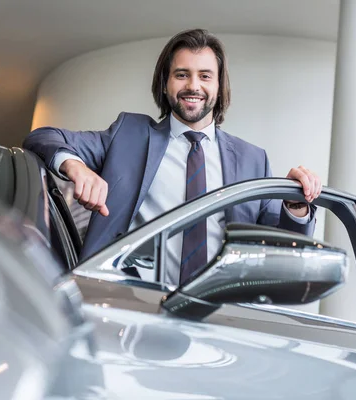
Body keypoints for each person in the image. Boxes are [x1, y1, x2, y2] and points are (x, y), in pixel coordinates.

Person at [23, 28, 321, 284]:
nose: (194, 86)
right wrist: (75, 165)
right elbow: (42, 137)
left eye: (205, 75)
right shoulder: (129, 135)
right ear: (166, 84)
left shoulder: (252, 159)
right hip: (127, 305)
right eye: (182, 74)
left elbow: (282, 246)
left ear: (219, 86)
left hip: (223, 317)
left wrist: (295, 207)